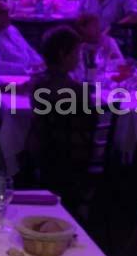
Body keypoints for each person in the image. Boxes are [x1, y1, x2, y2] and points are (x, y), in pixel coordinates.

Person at [25, 26, 96, 212]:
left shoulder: (36, 83)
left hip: (43, 154)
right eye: (76, 53)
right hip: (72, 159)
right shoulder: (77, 91)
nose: (78, 59)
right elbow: (89, 126)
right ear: (63, 55)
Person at [0, 0, 44, 75]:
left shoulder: (12, 29)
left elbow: (29, 50)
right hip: (12, 76)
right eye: (3, 13)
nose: (8, 17)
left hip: (30, 73)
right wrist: (27, 68)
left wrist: (41, 63)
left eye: (8, 12)